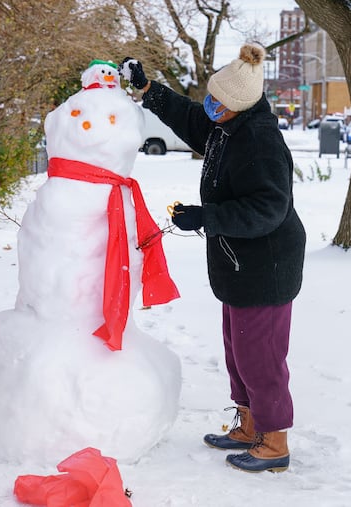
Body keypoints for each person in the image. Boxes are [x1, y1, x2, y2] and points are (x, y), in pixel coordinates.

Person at [121, 43, 306, 473]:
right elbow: (190, 118)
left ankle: (274, 440)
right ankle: (248, 423)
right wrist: (148, 89)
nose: (210, 106)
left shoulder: (259, 141)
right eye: (211, 96)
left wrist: (209, 216)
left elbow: (269, 208)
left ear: (240, 104)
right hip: (240, 264)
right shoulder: (227, 126)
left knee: (261, 356)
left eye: (217, 102)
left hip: (267, 266)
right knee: (238, 349)